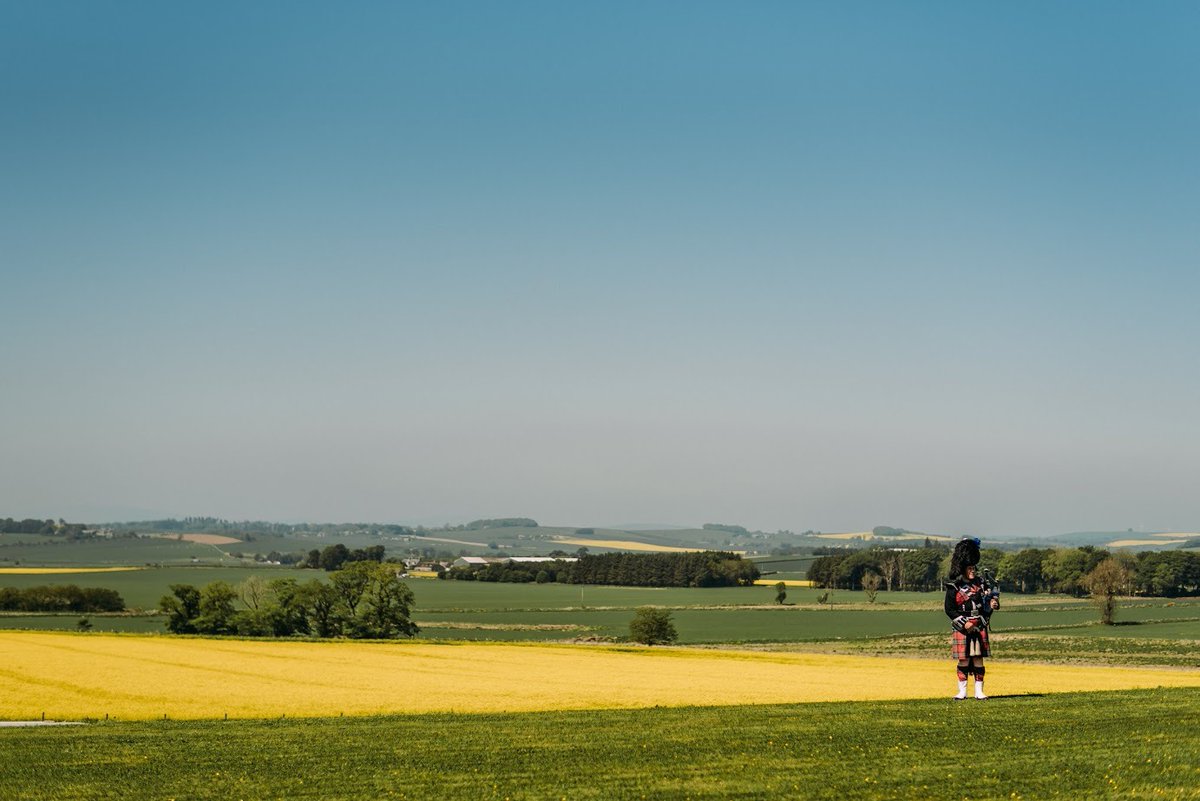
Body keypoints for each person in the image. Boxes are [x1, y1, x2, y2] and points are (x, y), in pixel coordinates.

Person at [944, 537, 999, 700]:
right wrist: (964, 623)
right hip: (962, 626)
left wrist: (993, 605)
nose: (973, 570)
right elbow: (949, 609)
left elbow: (987, 605)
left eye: (974, 567)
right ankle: (962, 692)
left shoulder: (982, 584)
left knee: (978, 660)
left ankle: (979, 692)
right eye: (970, 568)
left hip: (979, 625)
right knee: (963, 660)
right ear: (962, 568)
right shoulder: (954, 586)